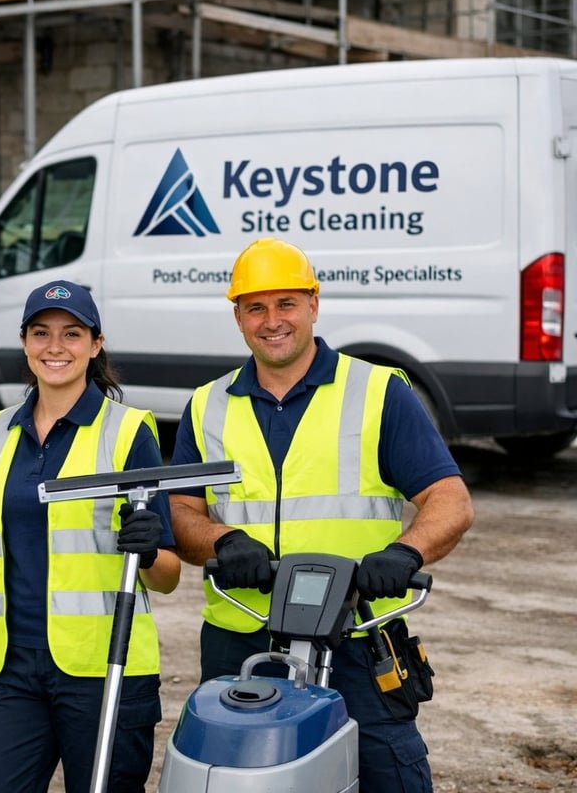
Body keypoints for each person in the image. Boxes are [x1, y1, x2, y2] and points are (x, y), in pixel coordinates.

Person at [168, 237, 474, 792]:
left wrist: (406, 552)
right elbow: (182, 511)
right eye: (255, 307)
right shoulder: (206, 405)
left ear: (314, 304)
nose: (272, 321)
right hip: (241, 637)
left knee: (387, 775)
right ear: (237, 315)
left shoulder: (378, 392)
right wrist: (221, 540)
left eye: (286, 303)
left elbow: (449, 500)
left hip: (357, 635)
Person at [0, 280, 180, 793]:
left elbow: (167, 576)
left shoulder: (127, 431)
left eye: (71, 333)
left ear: (95, 344)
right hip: (11, 671)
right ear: (25, 342)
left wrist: (146, 552)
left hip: (104, 669)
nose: (55, 347)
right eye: (41, 333)